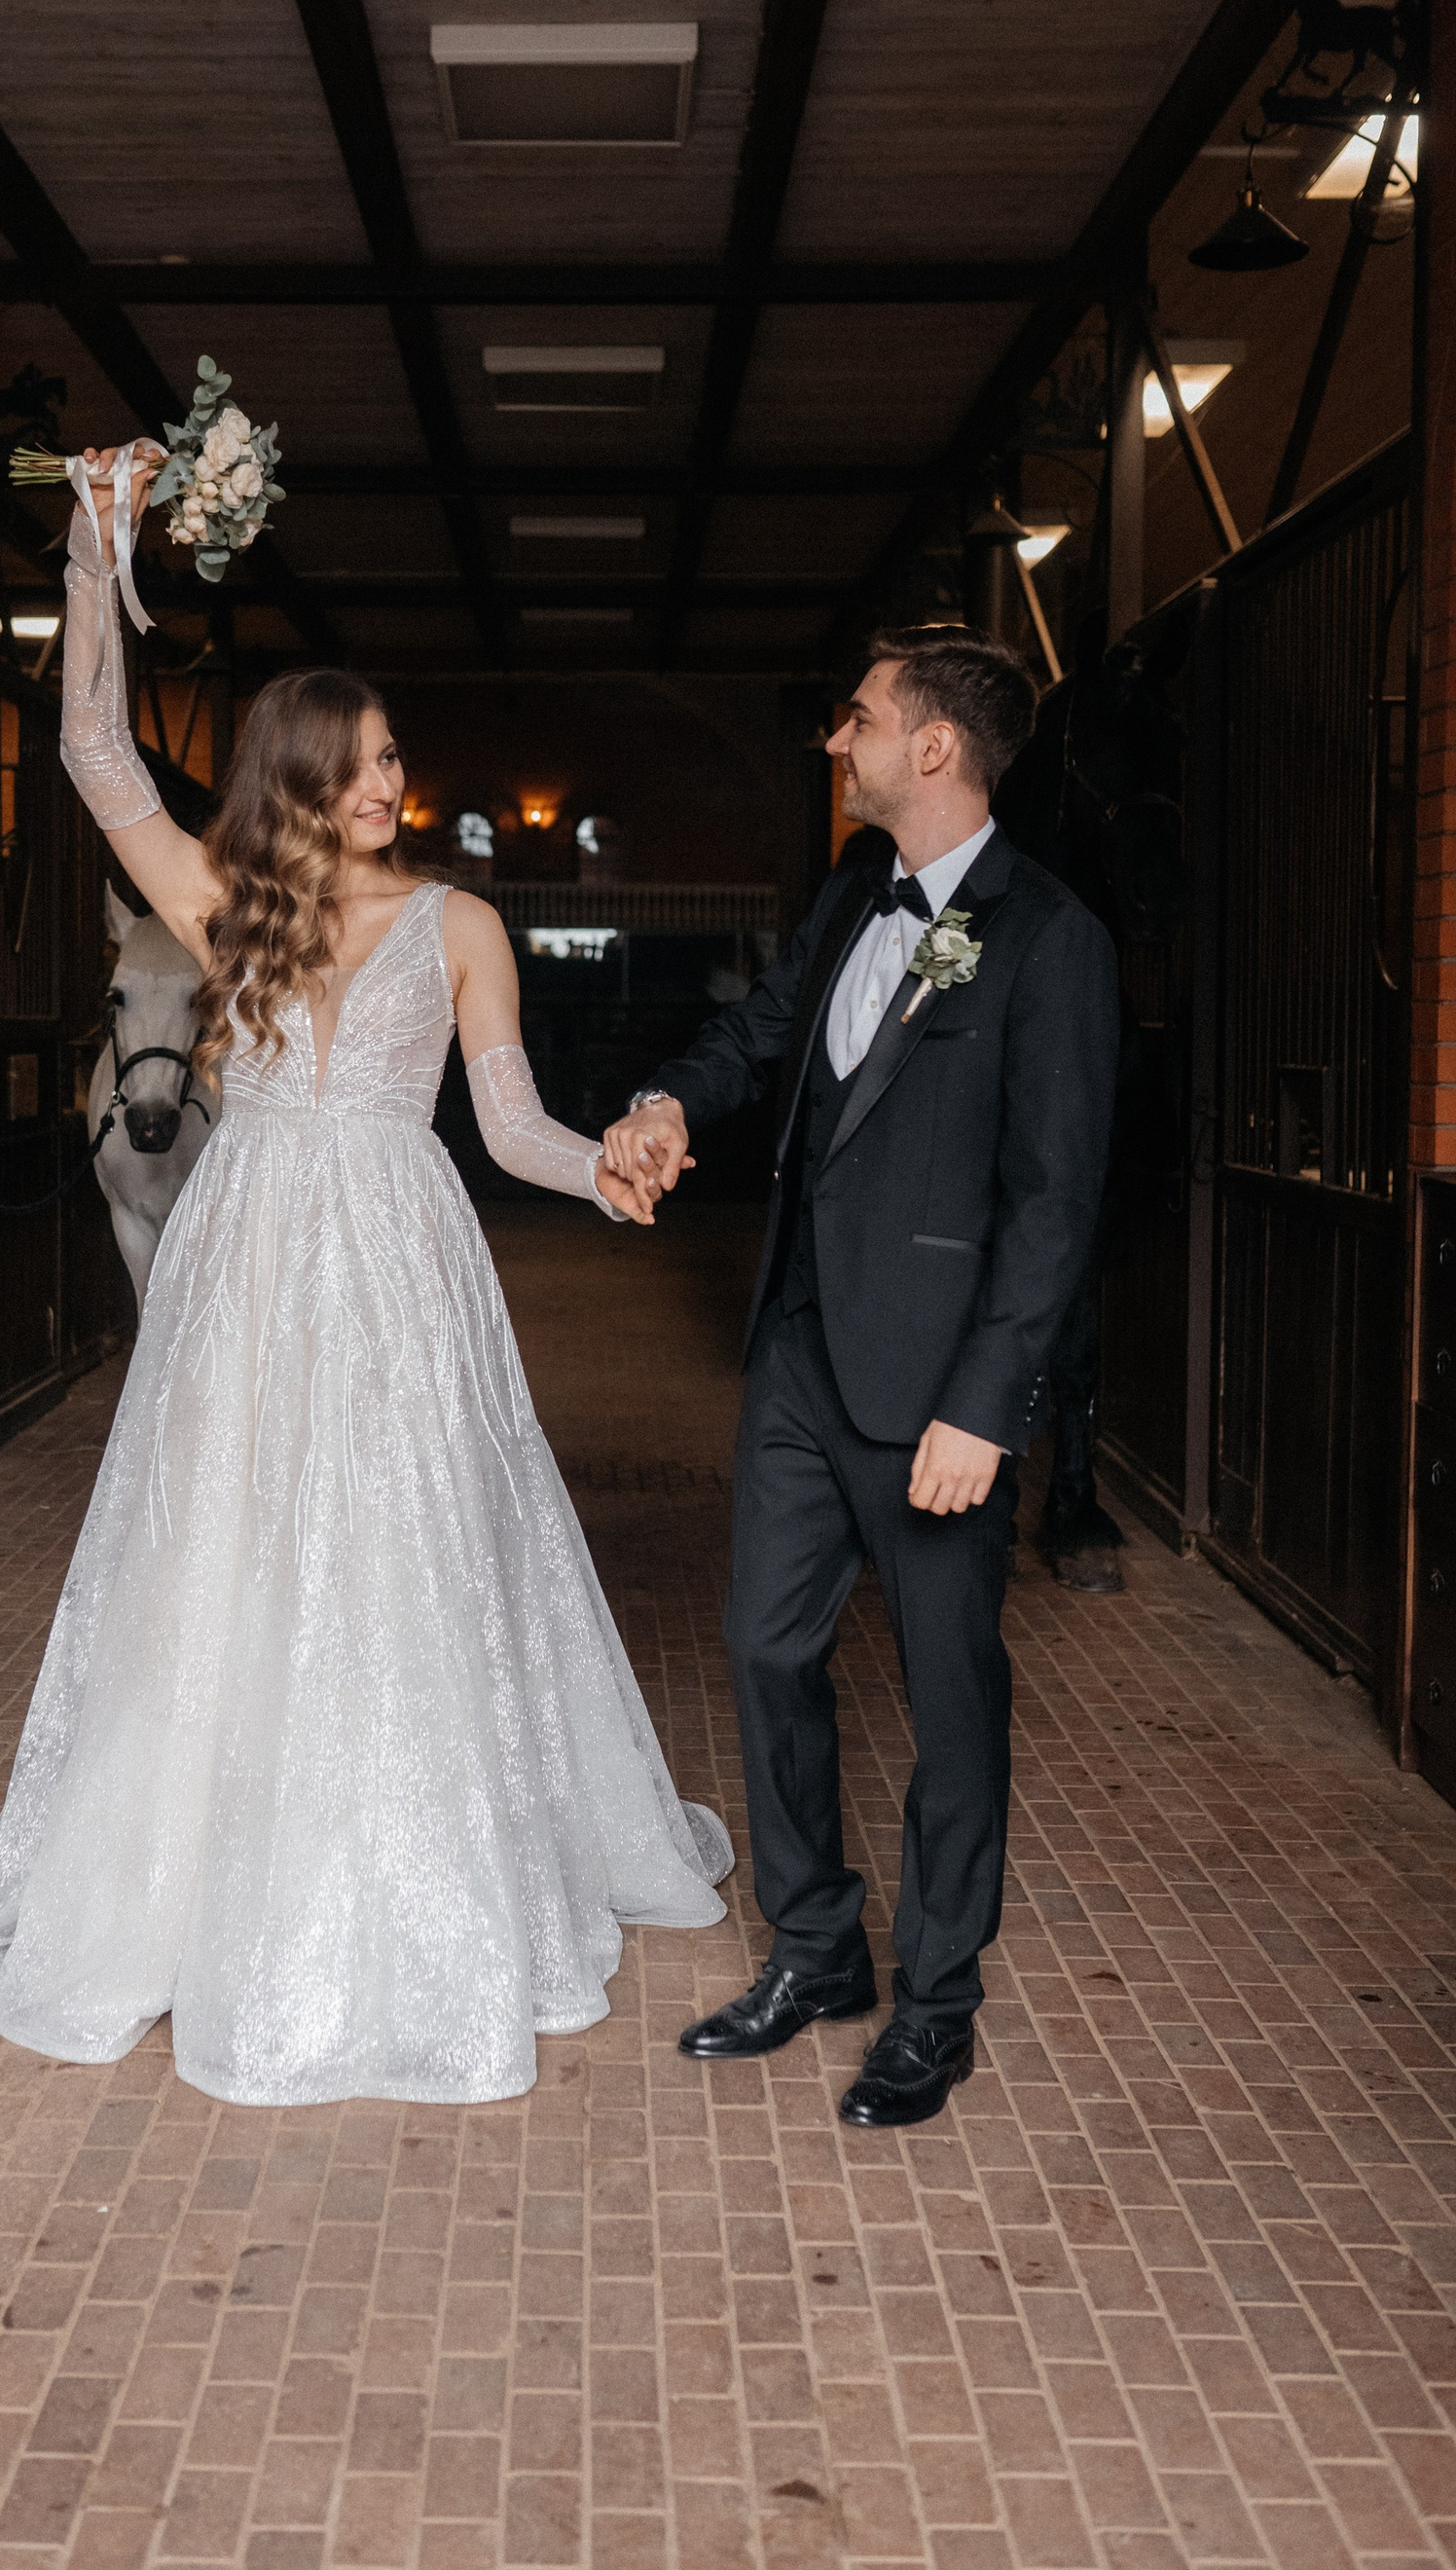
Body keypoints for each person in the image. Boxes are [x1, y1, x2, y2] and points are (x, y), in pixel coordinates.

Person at [0, 447, 731, 2107]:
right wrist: (95, 546)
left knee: (401, 1543)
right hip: (249, 1260)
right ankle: (195, 1875)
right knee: (224, 1538)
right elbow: (90, 752)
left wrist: (605, 1166)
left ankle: (408, 1869)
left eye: (393, 758)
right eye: (359, 763)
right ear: (296, 775)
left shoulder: (461, 923)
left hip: (401, 1262)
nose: (387, 782)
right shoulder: (225, 902)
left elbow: (508, 1125)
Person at [603, 627, 1119, 2128]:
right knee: (766, 1652)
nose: (839, 741)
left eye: (862, 719)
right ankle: (817, 1950)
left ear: (935, 748)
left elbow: (1054, 1206)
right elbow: (763, 1033)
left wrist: (988, 1404)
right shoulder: (852, 890)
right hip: (800, 1359)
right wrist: (662, 1103)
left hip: (939, 1394)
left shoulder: (1051, 939)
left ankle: (936, 2005)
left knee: (952, 1699)